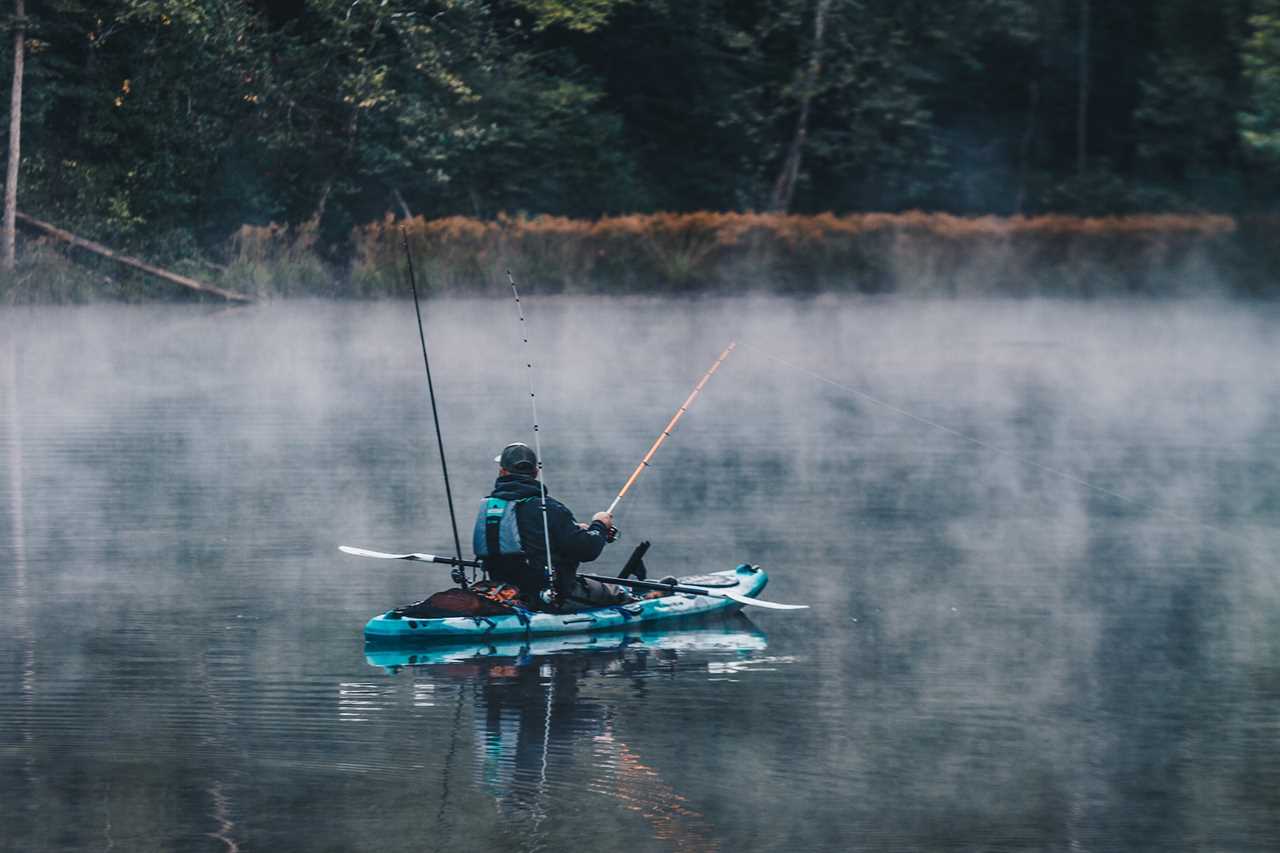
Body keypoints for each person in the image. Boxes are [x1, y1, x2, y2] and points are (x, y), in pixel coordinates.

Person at [473, 442, 625, 610]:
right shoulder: (547, 508)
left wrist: (576, 529)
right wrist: (600, 524)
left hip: (502, 590)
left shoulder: (490, 508)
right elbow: (587, 550)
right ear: (536, 473)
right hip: (550, 596)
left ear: (502, 472)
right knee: (619, 594)